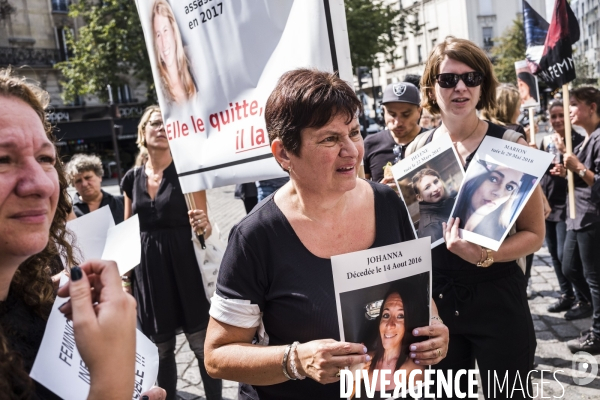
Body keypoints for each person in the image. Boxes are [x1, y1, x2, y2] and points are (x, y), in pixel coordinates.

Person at [204, 69, 449, 400]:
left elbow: (418, 293)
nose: (351, 150)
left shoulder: (387, 202)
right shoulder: (256, 237)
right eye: (330, 139)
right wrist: (296, 360)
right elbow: (218, 356)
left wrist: (435, 329)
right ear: (284, 154)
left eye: (355, 132)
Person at [0, 68, 165, 400]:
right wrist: (112, 380)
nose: (43, 183)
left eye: (45, 158)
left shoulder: (35, 297)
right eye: (3, 159)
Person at [410, 37, 544, 398]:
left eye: (471, 78)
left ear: (483, 84)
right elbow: (411, 233)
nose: (460, 88)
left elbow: (534, 233)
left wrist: (485, 255)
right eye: (448, 79)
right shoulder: (417, 151)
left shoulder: (510, 144)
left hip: (498, 295)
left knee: (510, 394)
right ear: (431, 86)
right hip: (437, 301)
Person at [121, 105, 222, 400]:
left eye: (167, 123)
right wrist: (126, 281)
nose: (162, 128)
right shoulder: (130, 178)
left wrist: (204, 224)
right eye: (155, 123)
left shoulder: (187, 173)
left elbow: (203, 229)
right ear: (143, 132)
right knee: (161, 347)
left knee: (201, 343)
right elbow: (127, 232)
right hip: (149, 272)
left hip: (185, 266)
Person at [551, 87, 600, 354]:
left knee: (594, 278)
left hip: (592, 218)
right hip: (577, 216)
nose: (570, 111)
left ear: (592, 108)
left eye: (575, 105)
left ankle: (598, 334)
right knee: (569, 267)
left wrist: (578, 167)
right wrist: (565, 171)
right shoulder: (586, 139)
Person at [541, 100, 586, 315]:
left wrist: (565, 162)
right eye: (553, 116)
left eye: (561, 115)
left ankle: (581, 297)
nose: (557, 120)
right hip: (548, 204)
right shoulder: (546, 141)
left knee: (564, 255)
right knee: (553, 254)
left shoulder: (578, 141)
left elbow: (581, 172)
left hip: (567, 207)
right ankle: (566, 294)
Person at [363, 82, 427, 184]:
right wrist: (380, 191)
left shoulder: (433, 139)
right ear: (383, 111)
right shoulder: (370, 144)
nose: (398, 122)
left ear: (419, 111)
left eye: (406, 115)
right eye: (392, 114)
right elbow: (360, 188)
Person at [452, 161, 532, 241]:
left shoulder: (502, 236)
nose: (499, 193)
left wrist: (482, 253)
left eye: (509, 187)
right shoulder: (445, 215)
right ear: (477, 178)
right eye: (493, 179)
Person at [152, 0, 197, 104]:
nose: (163, 42)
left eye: (165, 30)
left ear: (174, 31)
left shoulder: (193, 68)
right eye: (158, 35)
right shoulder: (161, 89)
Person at [66, 153, 124, 224]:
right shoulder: (69, 213)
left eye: (88, 178)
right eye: (78, 181)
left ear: (99, 177)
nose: (84, 184)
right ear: (73, 185)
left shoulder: (122, 203)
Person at [412, 168, 456, 243]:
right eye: (427, 187)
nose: (435, 188)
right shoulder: (431, 228)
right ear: (419, 197)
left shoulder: (446, 204)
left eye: (435, 182)